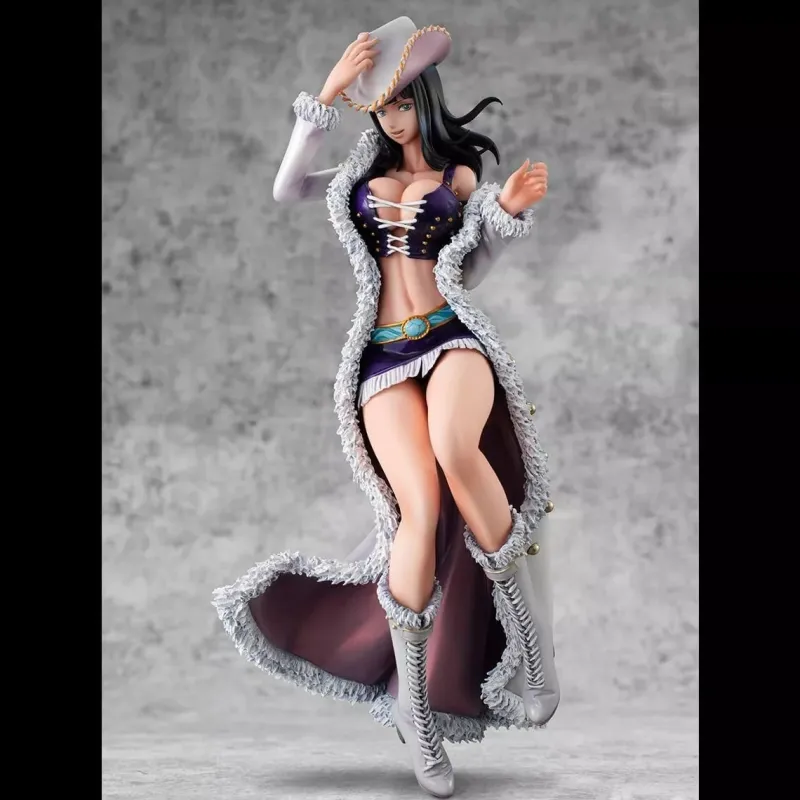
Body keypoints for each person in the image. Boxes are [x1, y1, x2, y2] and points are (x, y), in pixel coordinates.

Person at [213, 16, 559, 798]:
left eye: (401, 102)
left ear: (423, 98)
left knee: (458, 449)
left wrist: (507, 213)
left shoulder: (459, 175)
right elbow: (286, 188)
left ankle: (532, 647)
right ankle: (416, 709)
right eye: (379, 107)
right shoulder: (354, 175)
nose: (392, 118)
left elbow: (473, 265)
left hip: (451, 336)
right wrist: (325, 99)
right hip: (382, 359)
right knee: (418, 512)